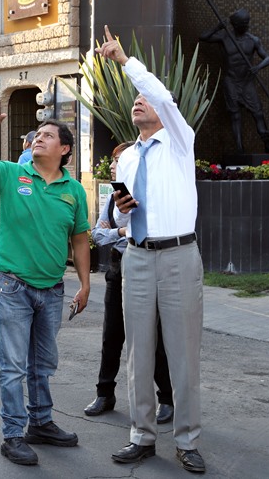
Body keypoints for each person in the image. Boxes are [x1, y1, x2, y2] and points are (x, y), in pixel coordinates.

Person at [97, 25, 205, 473]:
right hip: (136, 255)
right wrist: (122, 212)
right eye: (134, 99)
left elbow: (160, 94)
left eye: (144, 100)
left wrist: (125, 63)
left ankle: (187, 439)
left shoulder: (180, 141)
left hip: (179, 256)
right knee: (138, 352)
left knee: (182, 353)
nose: (138, 102)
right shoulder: (127, 157)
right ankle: (141, 436)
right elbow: (121, 219)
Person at [0, 105, 91, 467]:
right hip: (14, 287)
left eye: (48, 135)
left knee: (43, 363)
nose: (39, 138)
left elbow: (80, 239)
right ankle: (13, 434)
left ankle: (41, 422)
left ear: (64, 149)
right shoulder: (12, 174)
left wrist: (85, 285)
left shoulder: (74, 191)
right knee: (14, 365)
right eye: (38, 135)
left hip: (52, 289)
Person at [83, 142, 174, 425]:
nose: (113, 166)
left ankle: (168, 399)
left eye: (119, 161)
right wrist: (123, 230)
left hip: (147, 272)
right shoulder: (112, 199)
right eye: (113, 161)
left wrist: (119, 232)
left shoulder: (151, 197)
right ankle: (105, 393)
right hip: (117, 270)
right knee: (112, 336)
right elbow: (97, 235)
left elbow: (149, 234)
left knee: (154, 340)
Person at [199, 8, 269, 154]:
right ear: (235, 24)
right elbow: (203, 37)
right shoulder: (225, 37)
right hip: (231, 81)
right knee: (235, 115)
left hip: (246, 82)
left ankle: (267, 145)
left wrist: (258, 67)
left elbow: (268, 57)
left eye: (247, 22)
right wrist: (217, 27)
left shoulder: (253, 40)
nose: (246, 25)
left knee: (258, 113)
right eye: (243, 23)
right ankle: (239, 148)